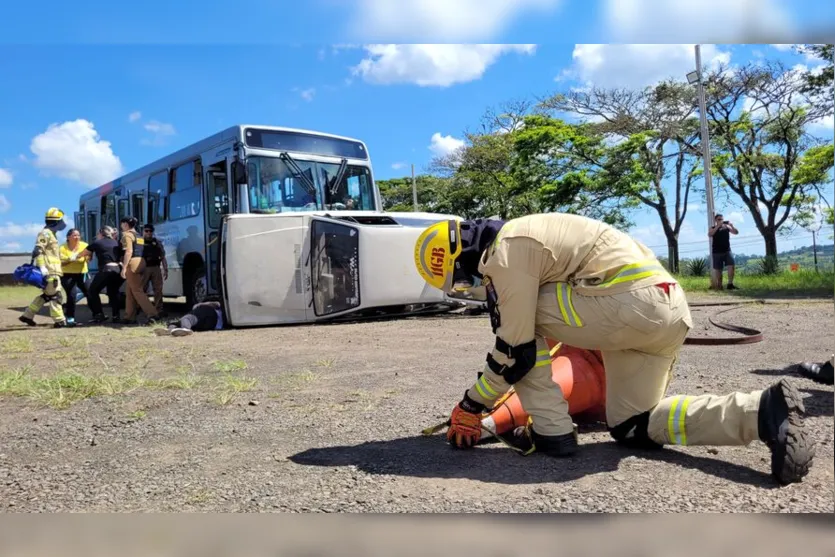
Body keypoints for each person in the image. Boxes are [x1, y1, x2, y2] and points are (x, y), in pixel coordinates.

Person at [413, 213, 816, 485]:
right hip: (664, 312)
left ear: (462, 252)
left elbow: (514, 350)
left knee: (517, 331)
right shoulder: (532, 232)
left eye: (464, 278)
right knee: (632, 423)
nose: (474, 285)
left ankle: (554, 434)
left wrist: (471, 406)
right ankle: (759, 412)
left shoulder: (505, 249)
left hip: (629, 307)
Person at [19, 208, 69, 328]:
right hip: (50, 271)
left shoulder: (51, 234)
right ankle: (60, 320)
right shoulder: (45, 233)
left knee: (47, 295)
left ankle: (27, 315)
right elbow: (38, 251)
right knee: (56, 296)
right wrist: (42, 267)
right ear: (57, 221)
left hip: (53, 269)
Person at [117, 217, 160, 324]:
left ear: (126, 224)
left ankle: (153, 314)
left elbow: (128, 251)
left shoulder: (126, 235)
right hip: (142, 262)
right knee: (130, 290)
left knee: (137, 290)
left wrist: (124, 267)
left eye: (122, 224)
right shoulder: (139, 235)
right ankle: (129, 316)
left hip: (133, 262)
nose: (121, 226)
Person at [80, 226, 125, 323]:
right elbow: (122, 256)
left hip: (106, 269)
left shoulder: (97, 243)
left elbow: (82, 253)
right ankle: (116, 316)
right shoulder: (117, 243)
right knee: (113, 292)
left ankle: (99, 314)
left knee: (93, 290)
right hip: (118, 269)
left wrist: (88, 254)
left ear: (100, 233)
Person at [59, 227, 90, 326]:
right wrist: (72, 259)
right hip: (67, 274)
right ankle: (70, 317)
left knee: (90, 292)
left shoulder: (85, 245)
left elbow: (88, 257)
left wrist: (86, 257)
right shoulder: (62, 248)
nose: (77, 237)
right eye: (74, 235)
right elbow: (61, 263)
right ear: (68, 237)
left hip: (82, 273)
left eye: (78, 235)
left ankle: (98, 314)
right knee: (72, 294)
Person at [140, 224, 168, 315]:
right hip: (144, 268)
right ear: (143, 231)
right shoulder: (139, 241)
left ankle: (159, 309)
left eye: (150, 231)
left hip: (156, 267)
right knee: (142, 290)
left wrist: (165, 269)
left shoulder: (157, 242)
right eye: (146, 231)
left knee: (158, 290)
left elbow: (163, 256)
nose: (148, 233)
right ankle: (144, 308)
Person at [154, 300, 224, 337]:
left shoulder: (207, 307)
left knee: (187, 318)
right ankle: (171, 329)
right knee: (182, 321)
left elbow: (216, 304)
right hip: (213, 325)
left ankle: (185, 329)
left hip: (211, 314)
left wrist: (200, 305)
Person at [708, 213, 739, 290]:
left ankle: (730, 284)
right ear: (715, 220)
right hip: (716, 252)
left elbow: (736, 232)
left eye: (722, 219)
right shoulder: (712, 228)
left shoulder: (727, 227)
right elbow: (710, 234)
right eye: (719, 219)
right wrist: (718, 226)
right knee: (718, 269)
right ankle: (719, 285)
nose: (721, 221)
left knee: (731, 265)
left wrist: (731, 226)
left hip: (727, 250)